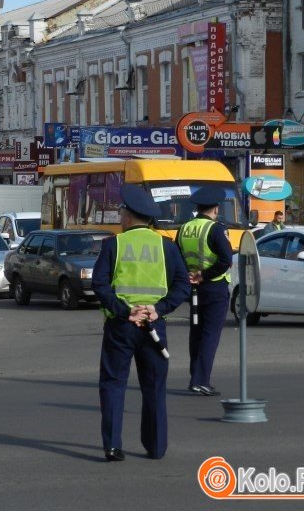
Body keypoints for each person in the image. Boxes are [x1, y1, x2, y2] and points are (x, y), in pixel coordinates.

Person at [92, 185, 189, 462]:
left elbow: (99, 284)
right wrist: (159, 309)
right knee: (154, 386)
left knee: (113, 384)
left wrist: (125, 312)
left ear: (128, 216)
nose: (120, 215)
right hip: (154, 327)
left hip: (121, 327)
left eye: (121, 211)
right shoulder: (166, 246)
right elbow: (182, 285)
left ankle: (112, 446)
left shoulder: (114, 244)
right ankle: (156, 447)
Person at [176, 186, 233, 397]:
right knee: (210, 335)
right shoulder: (215, 229)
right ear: (215, 209)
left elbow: (177, 258)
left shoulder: (185, 228)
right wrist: (205, 275)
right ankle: (201, 380)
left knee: (197, 333)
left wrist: (189, 276)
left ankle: (195, 377)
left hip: (194, 289)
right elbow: (226, 260)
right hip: (214, 288)